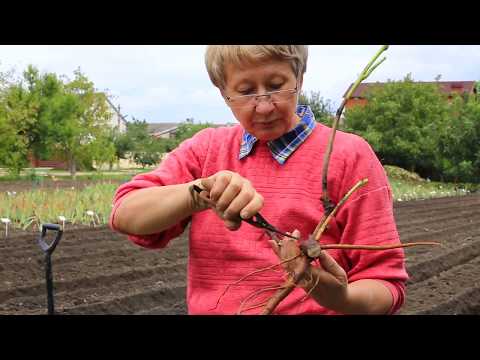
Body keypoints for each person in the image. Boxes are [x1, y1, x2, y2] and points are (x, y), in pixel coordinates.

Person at [109, 45, 408, 315]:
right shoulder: (206, 150)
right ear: (224, 94)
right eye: (245, 90)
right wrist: (199, 193)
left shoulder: (348, 155)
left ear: (300, 78)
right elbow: (126, 213)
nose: (264, 105)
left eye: (277, 86)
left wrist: (339, 297)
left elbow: (385, 286)